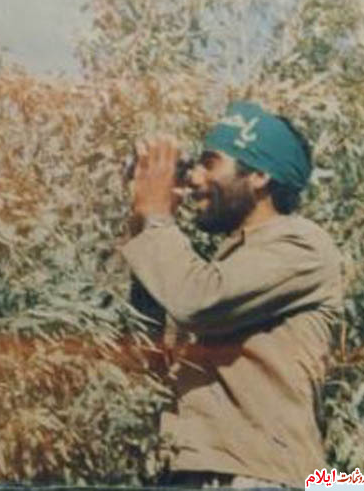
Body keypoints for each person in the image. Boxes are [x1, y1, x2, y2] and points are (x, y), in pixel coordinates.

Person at [120, 101, 343, 488]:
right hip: (198, 471)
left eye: (210, 164)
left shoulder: (302, 246)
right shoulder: (226, 264)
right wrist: (142, 218)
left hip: (258, 476)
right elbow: (146, 345)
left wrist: (158, 217)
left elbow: (196, 301)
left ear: (259, 175)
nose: (194, 178)